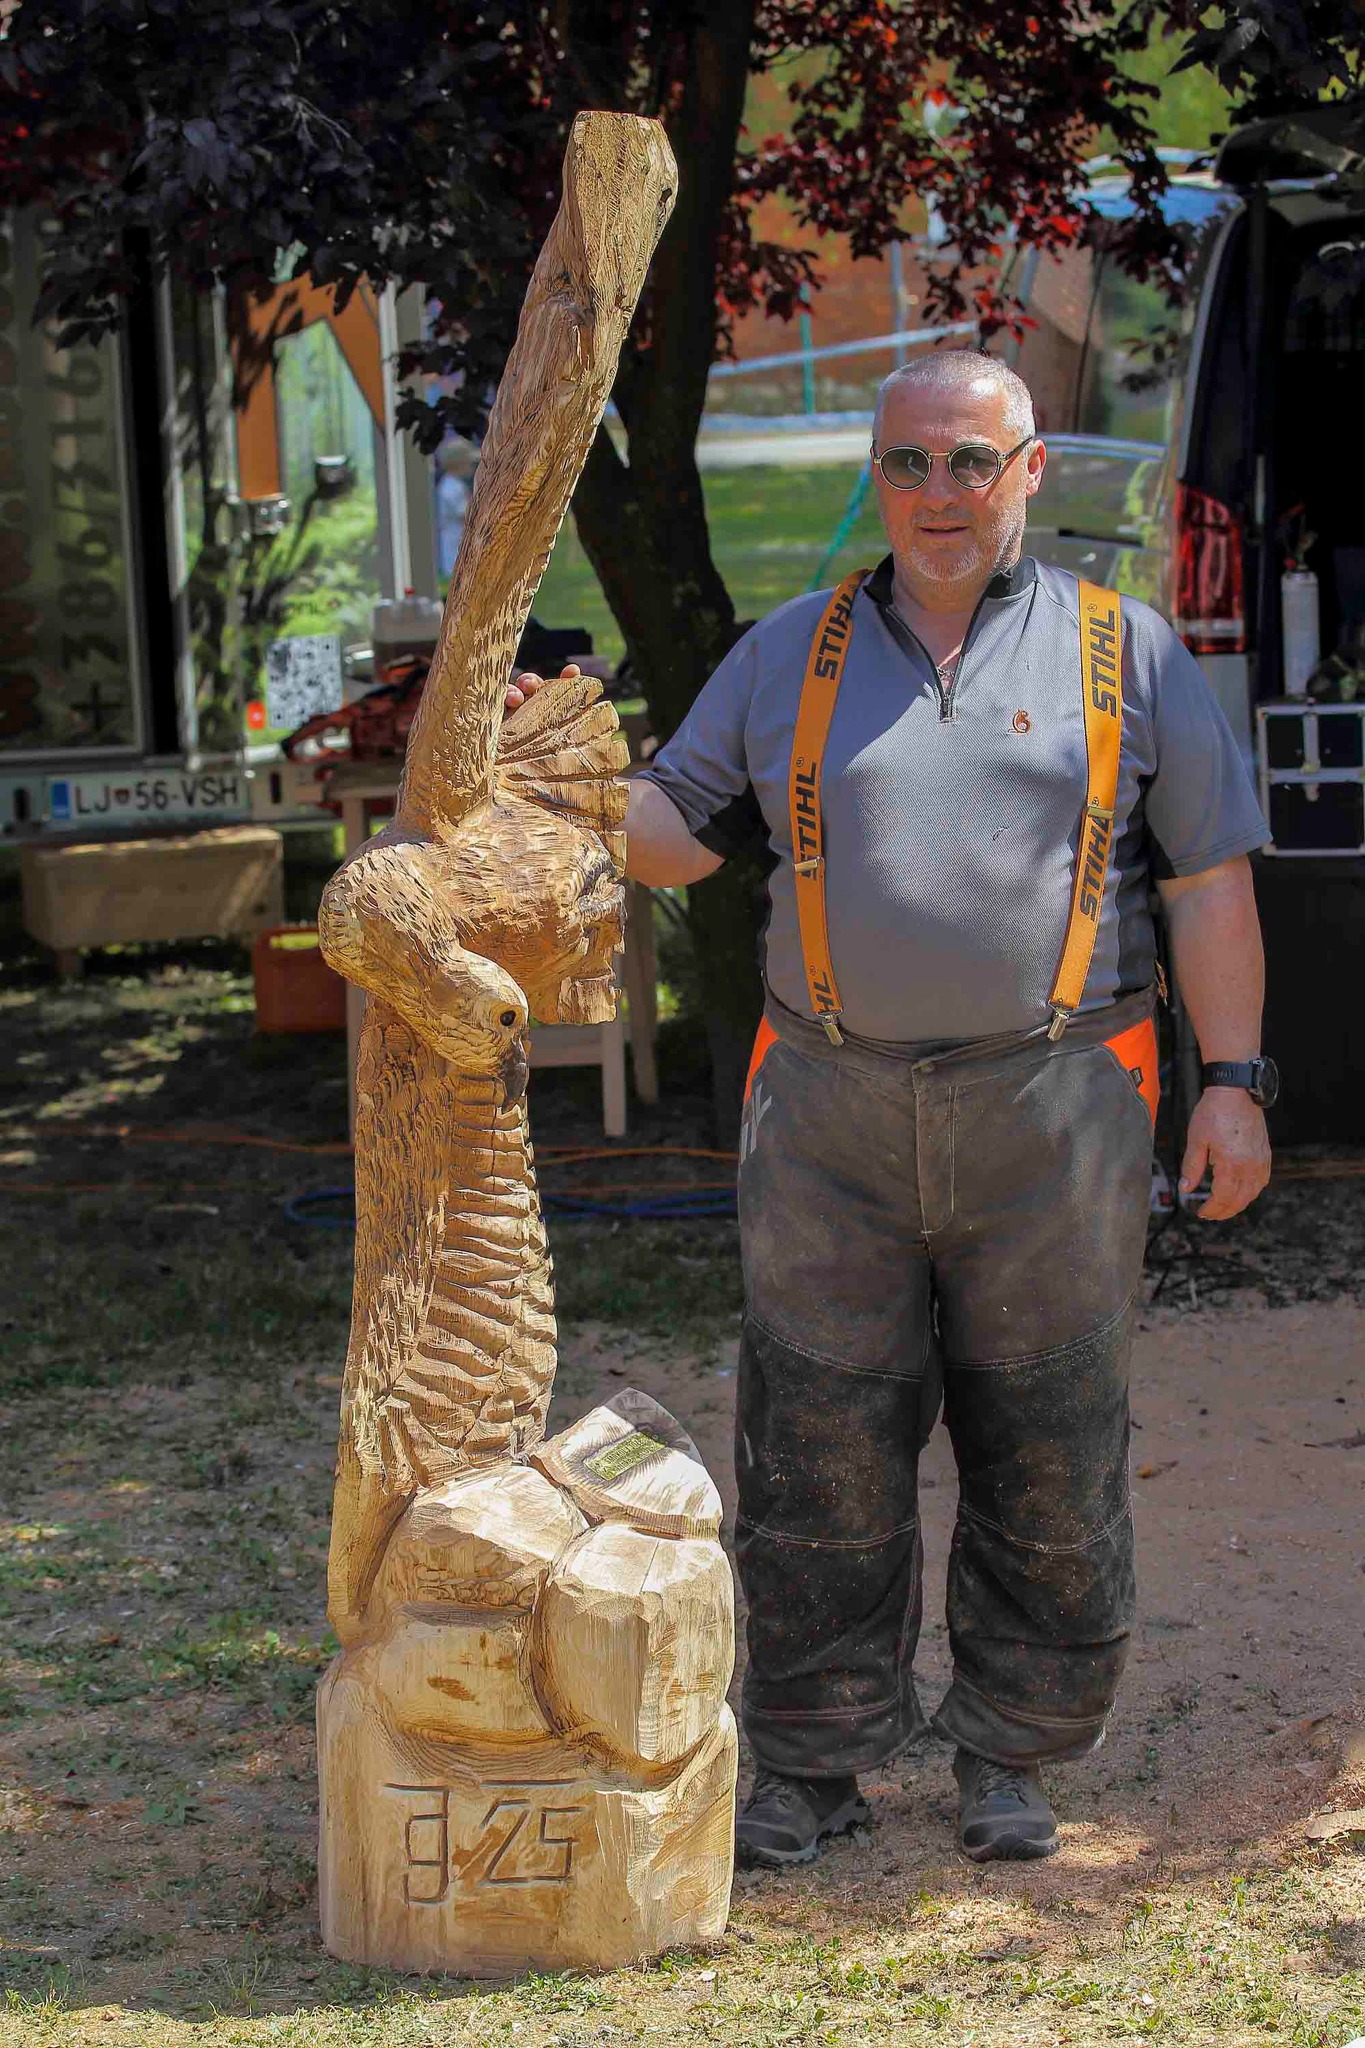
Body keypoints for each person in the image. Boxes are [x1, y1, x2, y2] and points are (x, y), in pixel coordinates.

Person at [509, 350, 1273, 1869]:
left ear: (1028, 471)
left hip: (1059, 1109)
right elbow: (675, 837)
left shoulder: (1127, 650)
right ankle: (812, 1757)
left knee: (1049, 1440)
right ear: (877, 475)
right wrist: (564, 772)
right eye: (909, 463)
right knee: (817, 1445)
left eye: (970, 461)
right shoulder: (786, 652)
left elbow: (1207, 884)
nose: (938, 493)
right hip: (829, 1115)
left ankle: (1012, 1752)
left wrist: (1236, 1087)